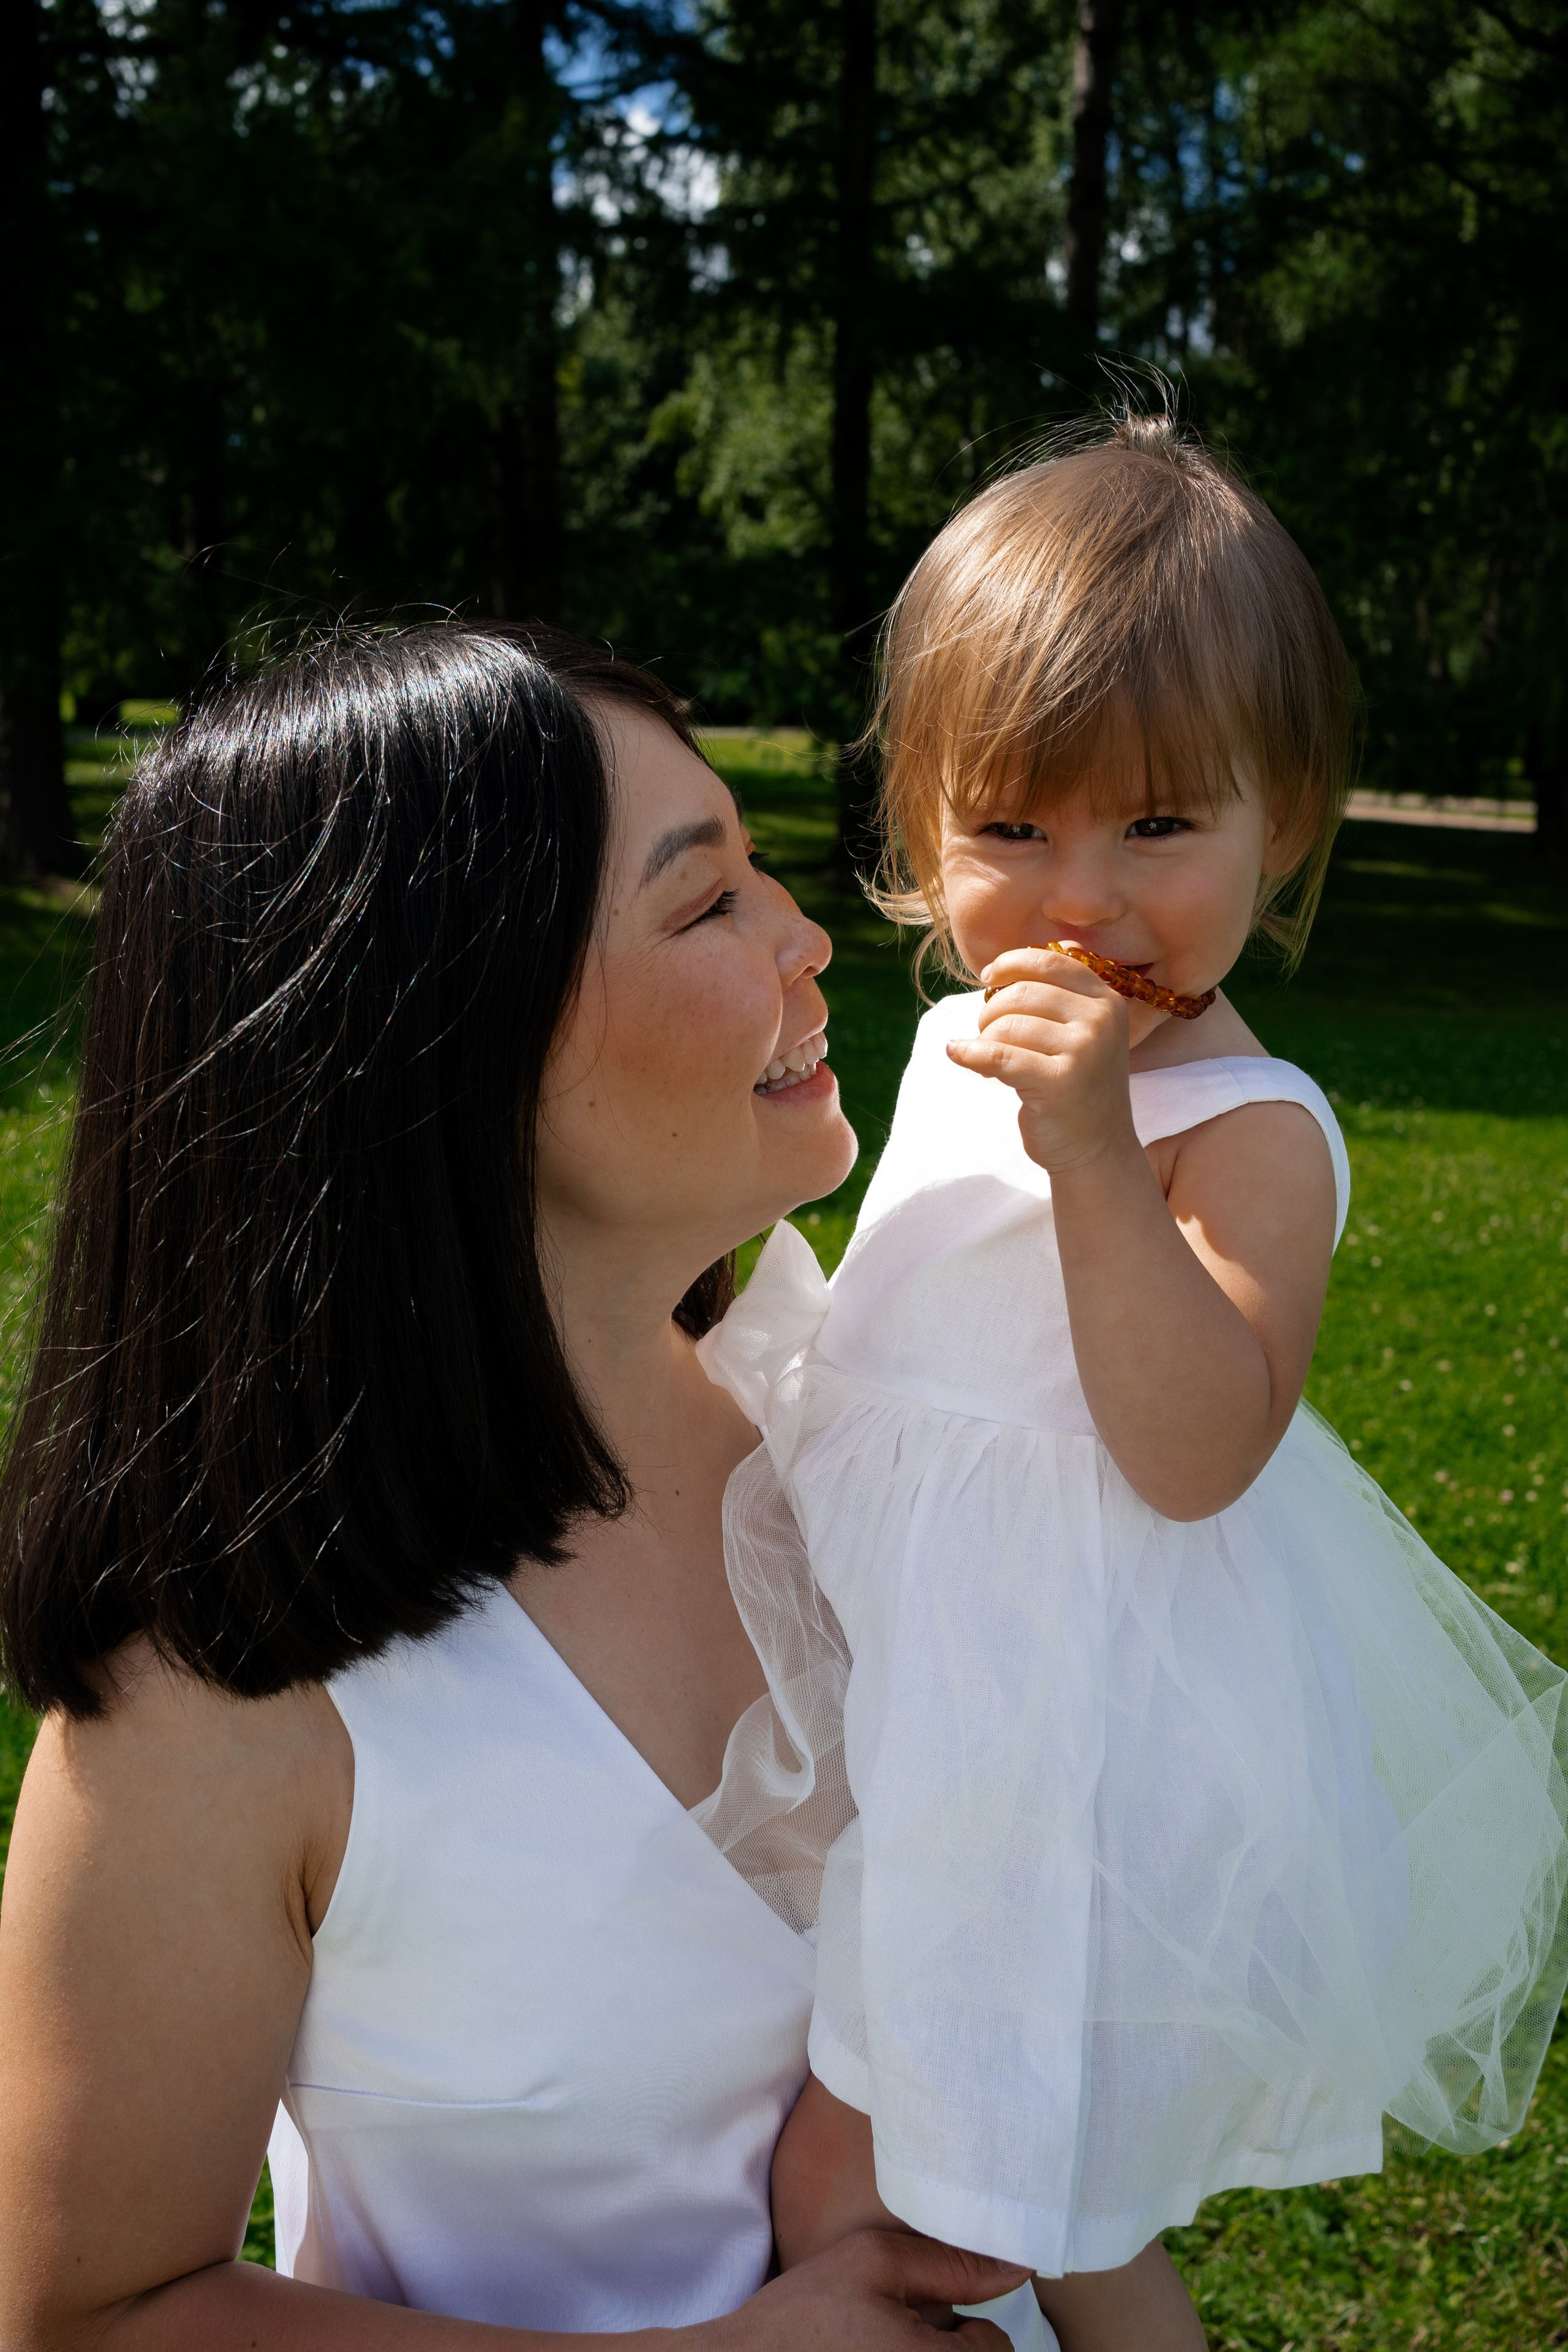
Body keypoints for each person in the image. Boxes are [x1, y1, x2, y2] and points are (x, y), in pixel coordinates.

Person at [0, 625, 1029, 2351]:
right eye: (704, 906)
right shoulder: (224, 1687)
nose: (804, 937)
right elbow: (90, 2310)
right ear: (437, 1038)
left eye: (760, 870)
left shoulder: (859, 1420)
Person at [700, 416, 1568, 2351]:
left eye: (1159, 828)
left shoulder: (1237, 1127)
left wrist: (1102, 1154)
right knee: (934, 2170)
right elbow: (917, 1316)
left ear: (1290, 828)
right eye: (1011, 829)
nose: (1077, 899)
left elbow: (1195, 1449)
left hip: (1053, 1745)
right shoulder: (955, 1047)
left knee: (933, 2192)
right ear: (920, 833)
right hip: (895, 1669)